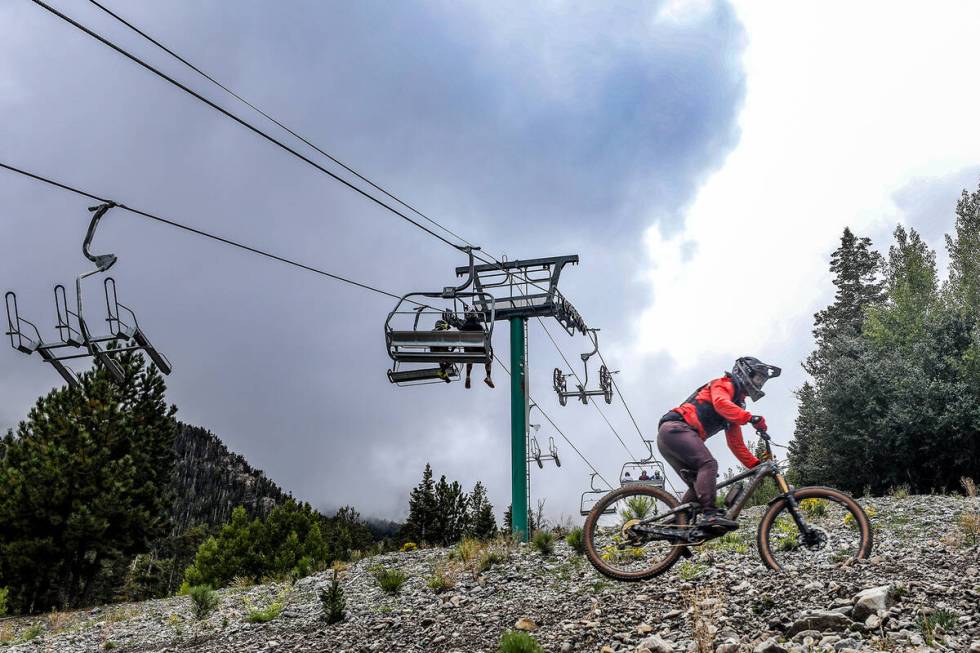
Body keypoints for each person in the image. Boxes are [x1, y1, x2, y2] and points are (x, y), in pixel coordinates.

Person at [657, 356, 780, 533]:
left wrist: (756, 465)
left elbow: (736, 444)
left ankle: (677, 531)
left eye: (762, 381)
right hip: (675, 429)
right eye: (758, 378)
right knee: (708, 464)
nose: (760, 383)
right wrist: (751, 418)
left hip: (673, 437)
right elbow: (721, 404)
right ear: (745, 372)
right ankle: (710, 515)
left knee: (699, 488)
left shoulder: (736, 405)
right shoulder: (723, 384)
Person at [459, 308, 494, 389]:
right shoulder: (479, 326)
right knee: (488, 359)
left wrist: (452, 350)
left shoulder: (464, 327)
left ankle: (468, 376)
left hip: (468, 350)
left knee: (469, 359)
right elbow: (485, 338)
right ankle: (488, 376)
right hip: (478, 349)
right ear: (475, 316)